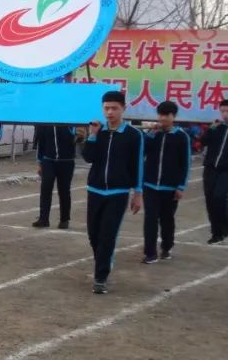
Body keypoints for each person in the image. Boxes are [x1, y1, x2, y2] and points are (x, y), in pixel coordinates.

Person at [82, 90, 144, 294]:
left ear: (123, 109)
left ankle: (101, 277)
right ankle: (103, 263)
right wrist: (92, 136)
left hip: (118, 193)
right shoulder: (98, 132)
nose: (110, 112)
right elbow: (88, 158)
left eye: (114, 108)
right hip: (95, 190)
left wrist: (138, 192)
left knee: (108, 235)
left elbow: (137, 165)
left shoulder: (134, 135)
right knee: (94, 234)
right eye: (106, 108)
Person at [141, 101, 190, 264]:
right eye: (160, 114)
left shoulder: (181, 137)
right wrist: (150, 134)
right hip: (150, 185)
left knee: (167, 219)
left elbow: (185, 163)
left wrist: (180, 186)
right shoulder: (154, 134)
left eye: (166, 115)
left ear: (173, 116)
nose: (162, 118)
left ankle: (167, 247)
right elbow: (142, 152)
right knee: (150, 218)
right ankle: (150, 252)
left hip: (170, 187)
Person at [31, 124, 77, 229]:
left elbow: (75, 138)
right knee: (45, 188)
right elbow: (40, 142)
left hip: (67, 161)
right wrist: (39, 163)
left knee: (64, 190)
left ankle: (64, 219)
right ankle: (43, 219)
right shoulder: (45, 123)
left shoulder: (70, 122)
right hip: (48, 160)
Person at [198, 99, 228, 244]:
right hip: (210, 169)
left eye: (227, 111)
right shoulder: (217, 127)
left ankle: (224, 226)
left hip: (225, 171)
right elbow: (202, 141)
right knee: (210, 200)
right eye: (222, 111)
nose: (225, 114)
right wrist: (211, 128)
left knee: (219, 197)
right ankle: (216, 233)